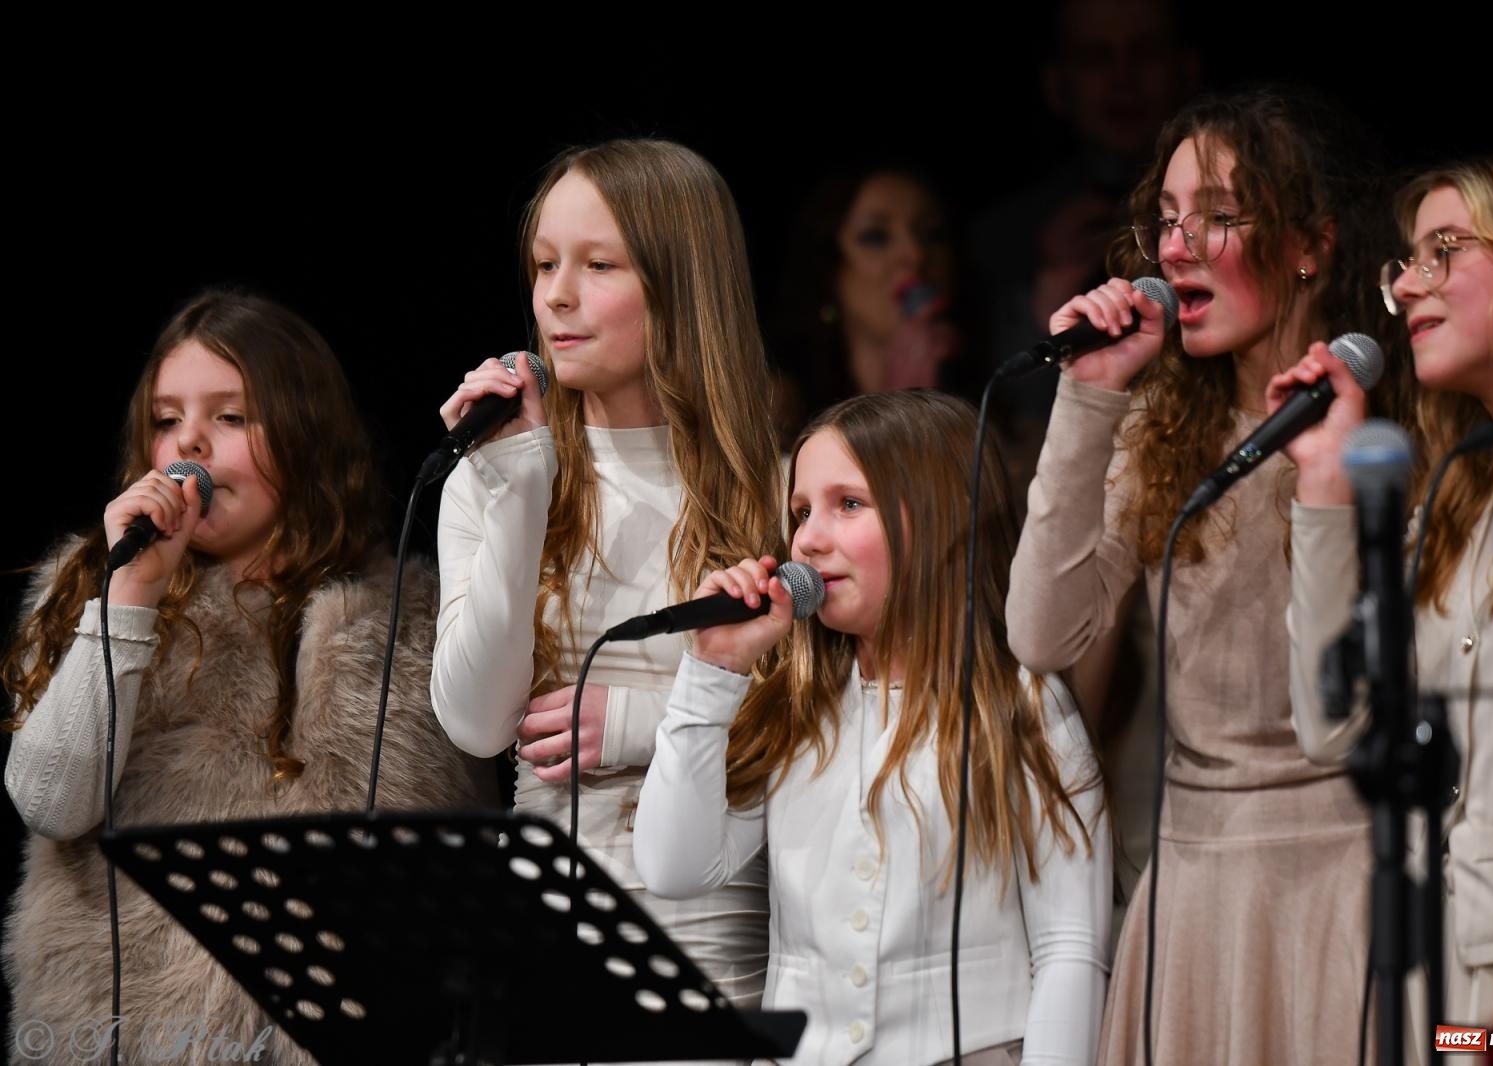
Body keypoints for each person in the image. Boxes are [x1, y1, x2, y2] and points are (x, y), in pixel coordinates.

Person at [1006, 86, 1411, 1065]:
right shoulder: (1154, 432)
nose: (1177, 246)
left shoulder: (1390, 437)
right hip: (1186, 882)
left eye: (1221, 216)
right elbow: (1041, 635)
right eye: (1168, 218)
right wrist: (1088, 398)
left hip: (1340, 874)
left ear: (1310, 243)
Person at [2, 289, 491, 1065]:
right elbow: (50, 802)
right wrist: (128, 597)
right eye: (166, 420)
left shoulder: (402, 617)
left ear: (305, 435)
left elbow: (414, 888)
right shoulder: (93, 591)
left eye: (230, 418)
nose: (188, 443)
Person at [635, 389, 1110, 1064]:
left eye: (848, 504)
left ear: (941, 518)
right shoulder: (794, 706)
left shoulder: (1022, 703)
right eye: (801, 512)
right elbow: (673, 866)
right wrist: (711, 674)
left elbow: (1070, 947)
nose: (808, 538)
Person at [430, 139, 783, 1018]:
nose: (556, 295)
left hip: (708, 944)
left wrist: (633, 722)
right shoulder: (493, 473)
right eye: (546, 264)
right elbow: (476, 723)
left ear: (680, 283)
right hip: (542, 936)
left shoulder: (774, 489)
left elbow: (820, 725)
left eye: (598, 265)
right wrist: (519, 482)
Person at [1280, 152, 1493, 1033]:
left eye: (1444, 251)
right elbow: (1331, 724)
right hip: (1437, 975)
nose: (1410, 288)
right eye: (1405, 263)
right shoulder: (1454, 494)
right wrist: (1325, 492)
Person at [769, 165, 971, 442]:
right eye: (876, 237)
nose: (914, 255)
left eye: (933, 234)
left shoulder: (1002, 422)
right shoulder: (781, 409)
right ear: (829, 270)